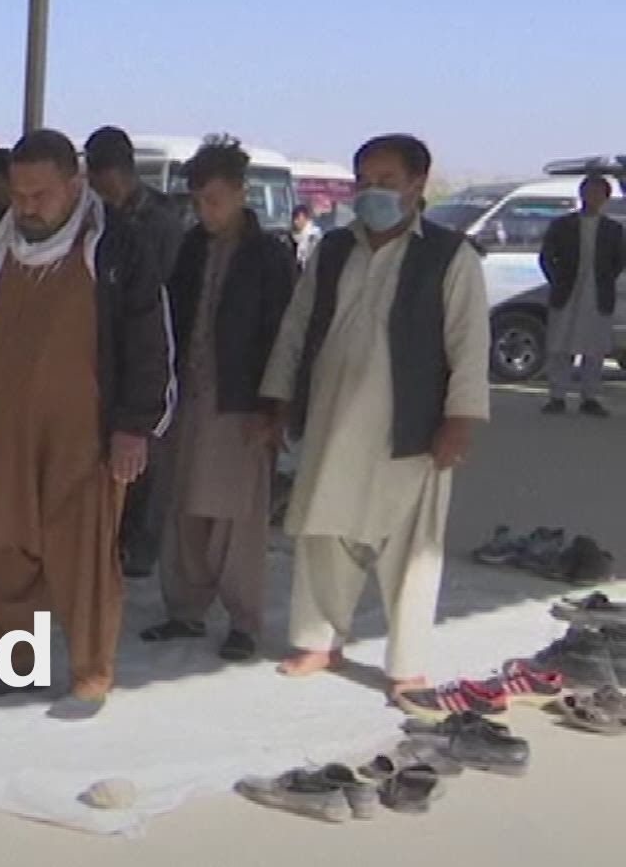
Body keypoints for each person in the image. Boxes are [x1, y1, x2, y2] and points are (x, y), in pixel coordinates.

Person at [258, 133, 489, 712]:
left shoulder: (450, 256)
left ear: (417, 184)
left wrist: (459, 421)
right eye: (364, 181)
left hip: (410, 426)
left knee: (411, 549)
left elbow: (469, 344)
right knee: (323, 531)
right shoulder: (335, 248)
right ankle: (320, 641)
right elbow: (296, 327)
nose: (372, 192)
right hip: (333, 416)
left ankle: (406, 666)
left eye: (386, 182)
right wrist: (279, 398)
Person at [0, 129, 173, 720]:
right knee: (4, 545)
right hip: (4, 425)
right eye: (19, 195)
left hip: (84, 433)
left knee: (82, 557)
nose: (28, 207)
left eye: (41, 195)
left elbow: (149, 341)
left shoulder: (116, 246)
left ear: (75, 184)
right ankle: (16, 663)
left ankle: (89, 672)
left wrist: (134, 427)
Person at [141, 139, 295, 661]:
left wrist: (273, 409)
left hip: (242, 404)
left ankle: (243, 621)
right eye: (199, 201)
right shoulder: (191, 250)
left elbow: (283, 336)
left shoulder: (270, 256)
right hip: (187, 399)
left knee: (237, 518)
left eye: (215, 200)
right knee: (184, 507)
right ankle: (185, 610)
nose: (207, 211)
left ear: (240, 193)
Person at [85, 125, 185, 581]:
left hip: (152, 349)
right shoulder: (94, 221)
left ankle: (139, 546)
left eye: (104, 182)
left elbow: (157, 297)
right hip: (107, 351)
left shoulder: (160, 223)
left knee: (145, 456)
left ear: (123, 174)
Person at [540, 173, 623, 417]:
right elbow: (546, 257)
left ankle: (590, 397)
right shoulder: (562, 225)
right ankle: (557, 396)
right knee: (560, 345)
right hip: (566, 292)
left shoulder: (613, 229)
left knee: (594, 348)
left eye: (599, 193)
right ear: (581, 194)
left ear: (606, 198)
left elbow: (618, 261)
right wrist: (557, 280)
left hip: (598, 295)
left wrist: (604, 279)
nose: (593, 197)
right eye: (589, 192)